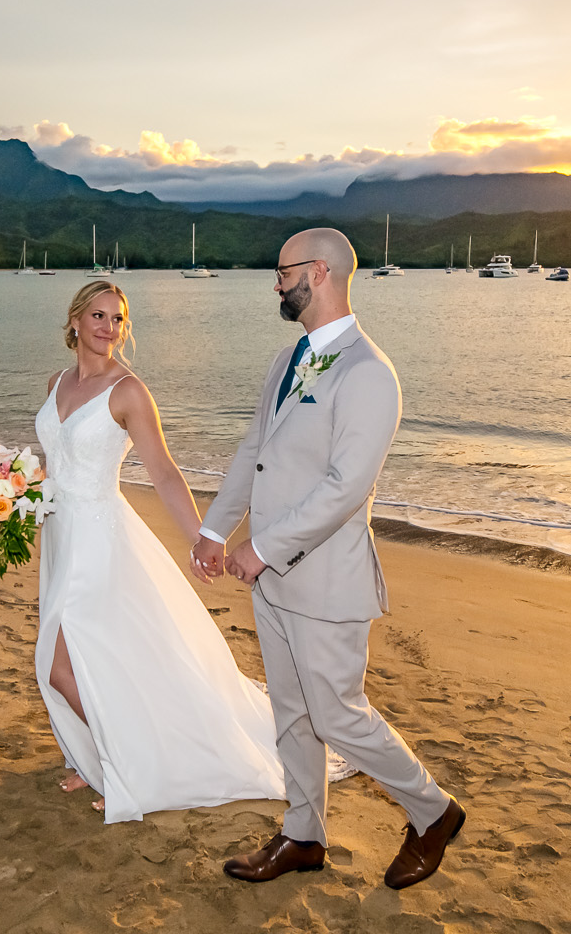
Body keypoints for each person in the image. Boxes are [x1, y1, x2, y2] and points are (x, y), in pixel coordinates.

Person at [191, 228, 466, 890]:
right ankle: (303, 834)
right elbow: (256, 447)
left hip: (324, 579)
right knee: (292, 712)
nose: (276, 283)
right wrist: (216, 527)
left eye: (283, 271)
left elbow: (347, 487)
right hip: (272, 578)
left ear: (319, 271)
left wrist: (264, 545)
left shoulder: (370, 372)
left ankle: (432, 811)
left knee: (338, 712)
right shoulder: (293, 358)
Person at [32, 279, 286, 822]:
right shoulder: (56, 382)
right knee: (93, 659)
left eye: (118, 319)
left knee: (59, 666)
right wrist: (5, 491)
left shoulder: (128, 392)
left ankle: (124, 765)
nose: (108, 328)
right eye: (98, 316)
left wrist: (202, 537)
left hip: (100, 540)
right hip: (58, 533)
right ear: (75, 321)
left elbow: (165, 472)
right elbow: (52, 459)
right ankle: (95, 757)